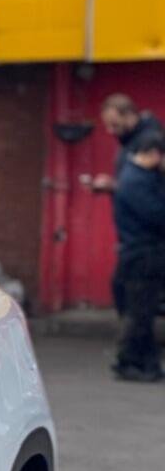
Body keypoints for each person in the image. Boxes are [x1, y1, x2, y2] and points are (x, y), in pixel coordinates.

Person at [85, 95, 163, 319]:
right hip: (134, 239)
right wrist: (112, 186)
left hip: (147, 241)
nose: (111, 131)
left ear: (129, 116)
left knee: (135, 305)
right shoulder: (130, 143)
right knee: (125, 294)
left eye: (115, 124)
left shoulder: (149, 141)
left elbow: (144, 189)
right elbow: (135, 186)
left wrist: (119, 187)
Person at [111, 129, 165, 381]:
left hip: (141, 252)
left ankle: (145, 363)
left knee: (142, 310)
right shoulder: (137, 182)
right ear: (154, 154)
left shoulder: (139, 177)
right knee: (141, 312)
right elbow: (158, 216)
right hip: (142, 254)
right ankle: (130, 362)